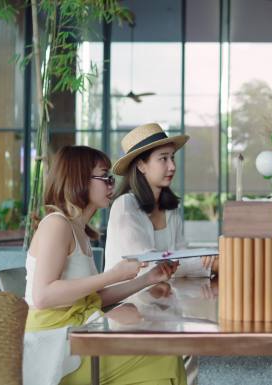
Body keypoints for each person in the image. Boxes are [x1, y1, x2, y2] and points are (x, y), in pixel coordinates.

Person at [23, 145, 185, 385]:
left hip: (77, 336)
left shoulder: (78, 230)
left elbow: (93, 296)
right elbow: (43, 296)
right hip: (52, 349)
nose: (111, 185)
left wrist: (147, 279)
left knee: (165, 352)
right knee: (164, 356)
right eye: (105, 177)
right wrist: (112, 275)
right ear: (80, 179)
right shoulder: (56, 225)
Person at [105, 123, 217, 278]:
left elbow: (181, 254)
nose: (172, 166)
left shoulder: (171, 208)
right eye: (163, 158)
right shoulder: (125, 205)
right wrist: (208, 262)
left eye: (172, 158)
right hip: (126, 300)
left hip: (162, 297)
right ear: (141, 166)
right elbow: (147, 264)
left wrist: (207, 259)